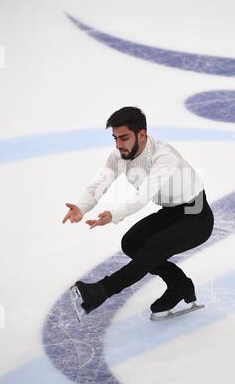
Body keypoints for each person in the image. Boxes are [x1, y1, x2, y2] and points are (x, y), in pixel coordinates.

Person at [62, 106, 214, 321]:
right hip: (171, 212)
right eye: (115, 138)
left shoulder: (164, 157)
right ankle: (179, 285)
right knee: (132, 243)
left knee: (153, 248)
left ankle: (101, 290)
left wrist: (114, 214)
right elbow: (100, 182)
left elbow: (142, 197)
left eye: (124, 138)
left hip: (196, 215)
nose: (118, 145)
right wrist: (82, 206)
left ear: (142, 134)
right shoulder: (118, 156)